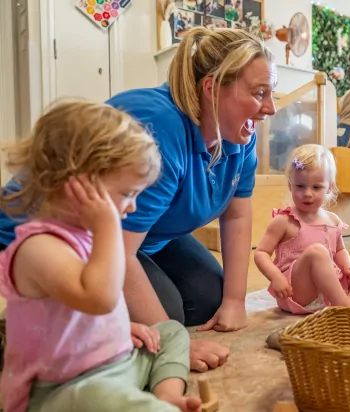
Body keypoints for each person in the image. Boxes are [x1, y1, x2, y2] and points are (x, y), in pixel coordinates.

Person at [0, 27, 277, 372]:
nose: (271, 108)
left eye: (271, 93)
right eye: (259, 93)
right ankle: (37, 312)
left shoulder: (240, 131)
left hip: (138, 232)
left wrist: (235, 300)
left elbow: (236, 215)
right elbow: (116, 239)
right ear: (211, 89)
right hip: (59, 231)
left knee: (210, 297)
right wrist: (176, 346)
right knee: (168, 318)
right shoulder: (159, 129)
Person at [0, 100, 200, 412]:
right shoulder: (38, 248)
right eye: (127, 194)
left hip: (116, 362)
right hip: (65, 387)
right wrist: (107, 227)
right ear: (76, 183)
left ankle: (167, 394)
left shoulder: (89, 236)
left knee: (171, 333)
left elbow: (101, 311)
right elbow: (99, 298)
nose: (132, 207)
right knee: (102, 398)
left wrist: (119, 328)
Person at [255, 144, 350, 313]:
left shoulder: (332, 220)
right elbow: (261, 253)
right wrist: (276, 277)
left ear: (330, 187)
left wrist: (348, 267)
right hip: (297, 292)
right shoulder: (284, 221)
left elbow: (340, 250)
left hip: (328, 290)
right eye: (300, 186)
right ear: (291, 185)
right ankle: (344, 305)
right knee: (317, 252)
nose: (307, 193)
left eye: (316, 187)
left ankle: (348, 301)